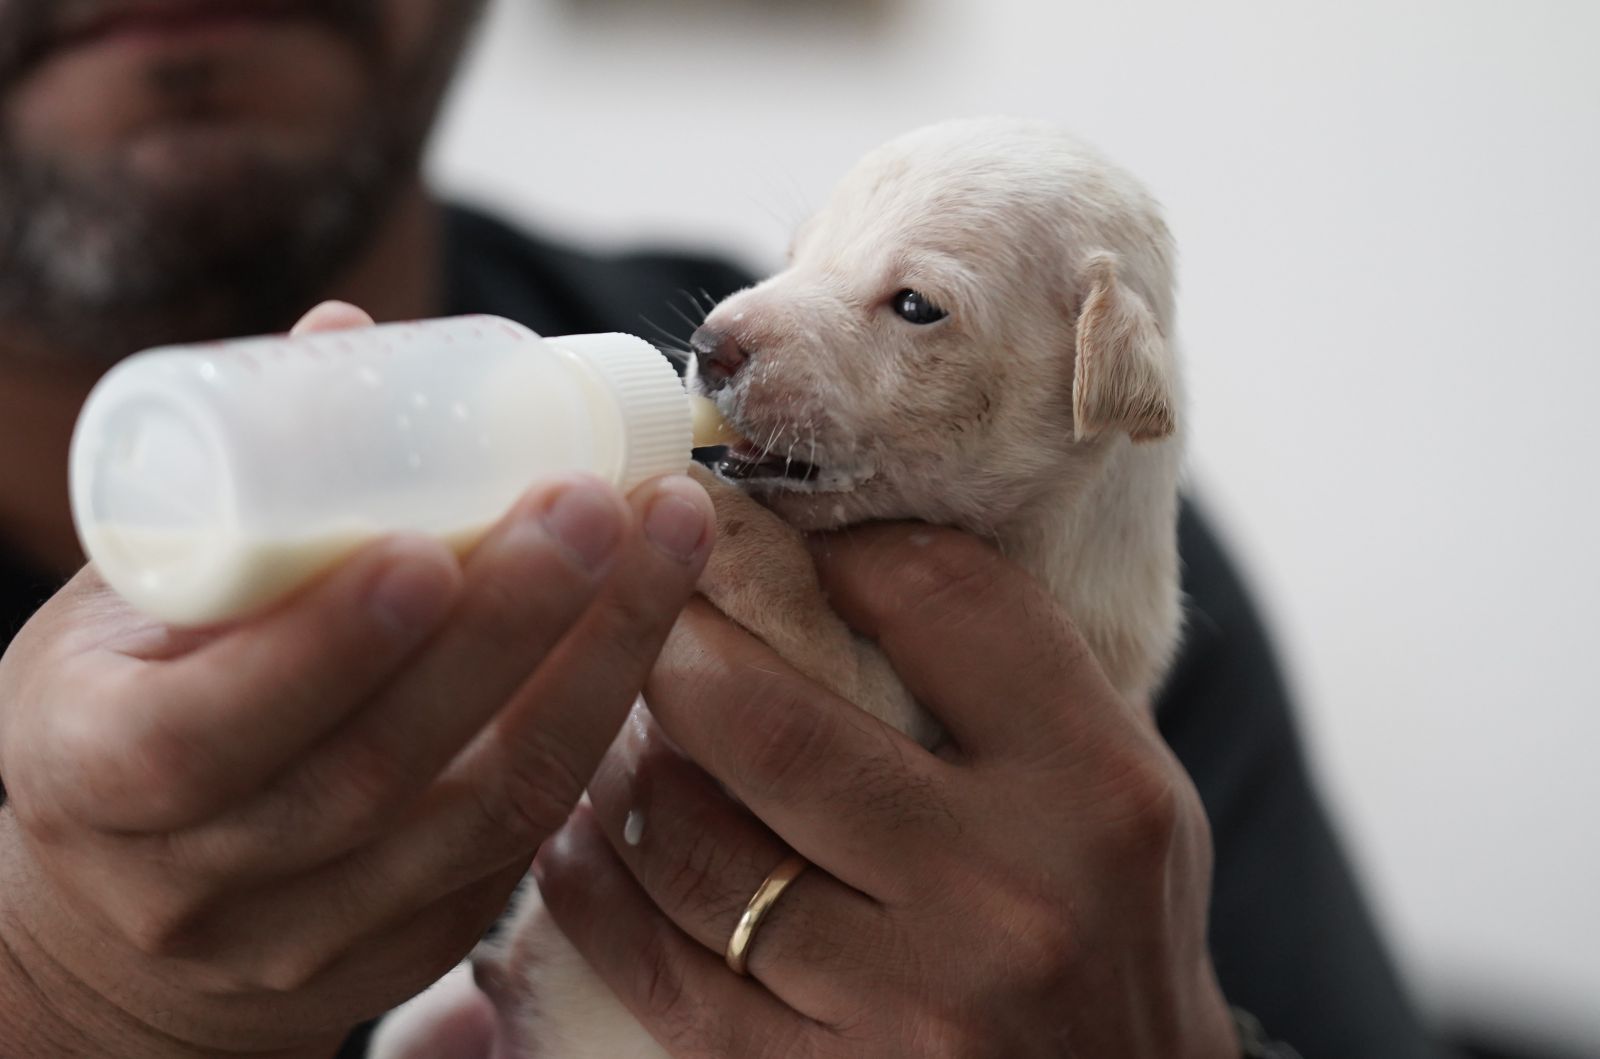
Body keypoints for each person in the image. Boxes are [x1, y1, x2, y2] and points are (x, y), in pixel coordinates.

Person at [0, 2, 1440, 1056]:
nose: (739, 330)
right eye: (802, 255)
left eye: (913, 305)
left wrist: (1187, 1049)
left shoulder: (1111, 594)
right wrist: (48, 998)